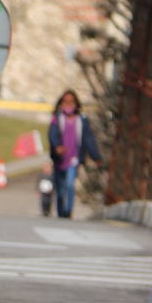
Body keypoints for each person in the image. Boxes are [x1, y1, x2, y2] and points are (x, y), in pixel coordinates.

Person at [47, 90, 104, 219]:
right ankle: (61, 211)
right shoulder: (57, 118)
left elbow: (88, 139)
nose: (68, 104)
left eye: (71, 102)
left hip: (74, 158)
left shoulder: (82, 120)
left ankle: (68, 210)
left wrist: (96, 156)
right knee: (60, 189)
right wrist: (57, 147)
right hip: (59, 159)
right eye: (65, 102)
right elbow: (52, 134)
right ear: (61, 104)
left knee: (70, 184)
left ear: (76, 104)